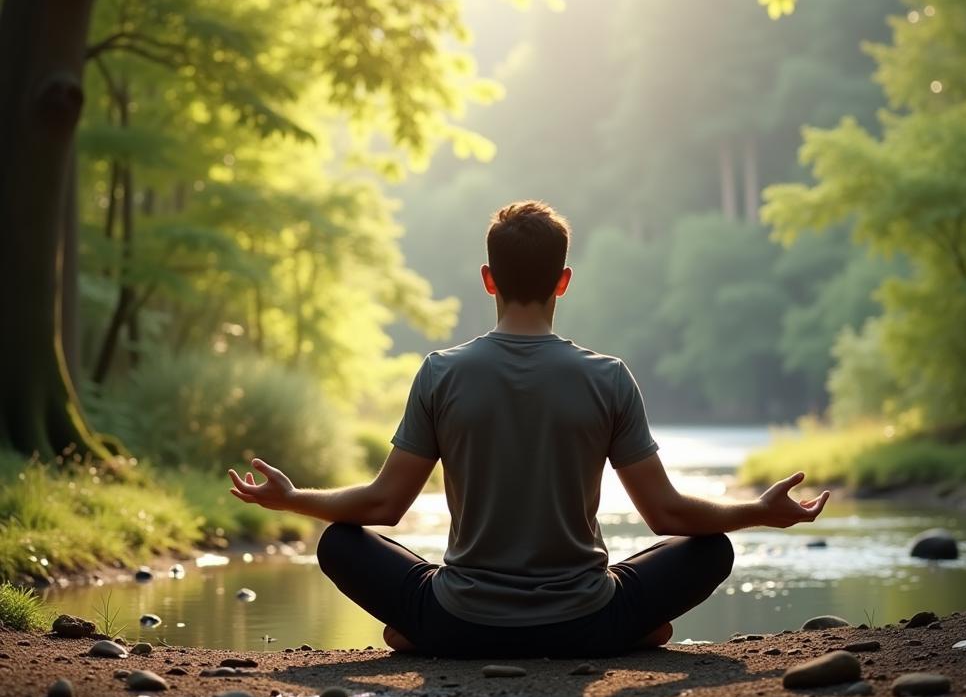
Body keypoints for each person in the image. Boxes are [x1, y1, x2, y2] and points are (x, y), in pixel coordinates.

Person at [227, 200, 829, 658]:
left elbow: (383, 507)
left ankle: (429, 631)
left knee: (338, 541)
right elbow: (668, 516)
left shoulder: (440, 373)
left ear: (489, 279)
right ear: (562, 281)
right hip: (587, 622)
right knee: (710, 548)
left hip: (460, 621)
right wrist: (757, 510)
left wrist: (293, 498)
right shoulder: (609, 377)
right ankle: (625, 629)